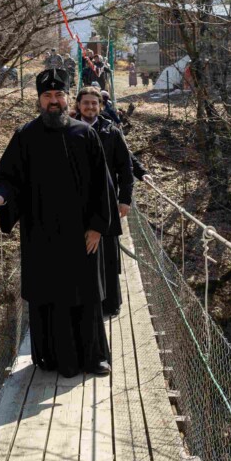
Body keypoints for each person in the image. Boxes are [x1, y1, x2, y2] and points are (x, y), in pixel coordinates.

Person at [0, 69, 115, 377]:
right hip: (41, 235)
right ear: (39, 100)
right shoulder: (25, 136)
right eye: (47, 96)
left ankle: (94, 357)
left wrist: (98, 226)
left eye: (58, 95)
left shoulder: (85, 134)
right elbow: (8, 178)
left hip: (82, 234)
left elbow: (103, 185)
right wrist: (2, 196)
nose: (53, 101)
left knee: (85, 295)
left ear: (67, 98)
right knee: (49, 295)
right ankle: (52, 358)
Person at [75, 86, 135, 316]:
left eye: (94, 103)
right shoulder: (68, 130)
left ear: (100, 106)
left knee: (108, 253)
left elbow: (125, 168)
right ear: (78, 105)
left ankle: (110, 304)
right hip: (77, 203)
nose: (90, 107)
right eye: (86, 103)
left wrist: (125, 199)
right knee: (82, 252)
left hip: (107, 202)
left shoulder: (112, 132)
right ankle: (85, 303)